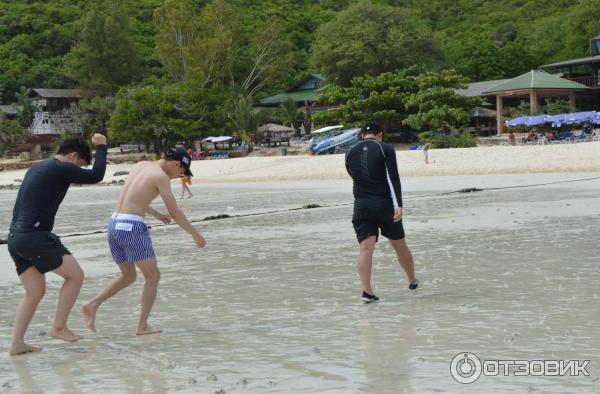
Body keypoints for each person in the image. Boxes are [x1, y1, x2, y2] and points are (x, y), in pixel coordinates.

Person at [81, 147, 206, 335]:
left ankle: (92, 305)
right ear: (176, 163)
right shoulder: (161, 177)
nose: (177, 176)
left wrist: (156, 214)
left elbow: (135, 198)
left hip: (114, 223)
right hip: (132, 227)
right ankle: (142, 326)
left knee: (128, 276)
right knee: (153, 276)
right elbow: (175, 211)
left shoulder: (141, 165)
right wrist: (194, 234)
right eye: (180, 172)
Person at [7, 134, 107, 356]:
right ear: (73, 156)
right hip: (35, 236)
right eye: (80, 164)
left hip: (15, 238)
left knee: (34, 292)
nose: (78, 172)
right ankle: (59, 327)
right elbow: (96, 175)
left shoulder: (37, 167)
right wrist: (101, 146)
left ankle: (17, 343)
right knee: (75, 276)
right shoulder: (61, 167)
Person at [345, 122, 418, 303]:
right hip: (385, 205)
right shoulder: (385, 148)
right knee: (399, 245)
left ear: (362, 135)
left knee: (365, 249)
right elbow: (393, 177)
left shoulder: (349, 152)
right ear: (380, 135)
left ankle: (367, 291)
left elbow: (353, 175)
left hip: (361, 206)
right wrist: (398, 204)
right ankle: (412, 281)